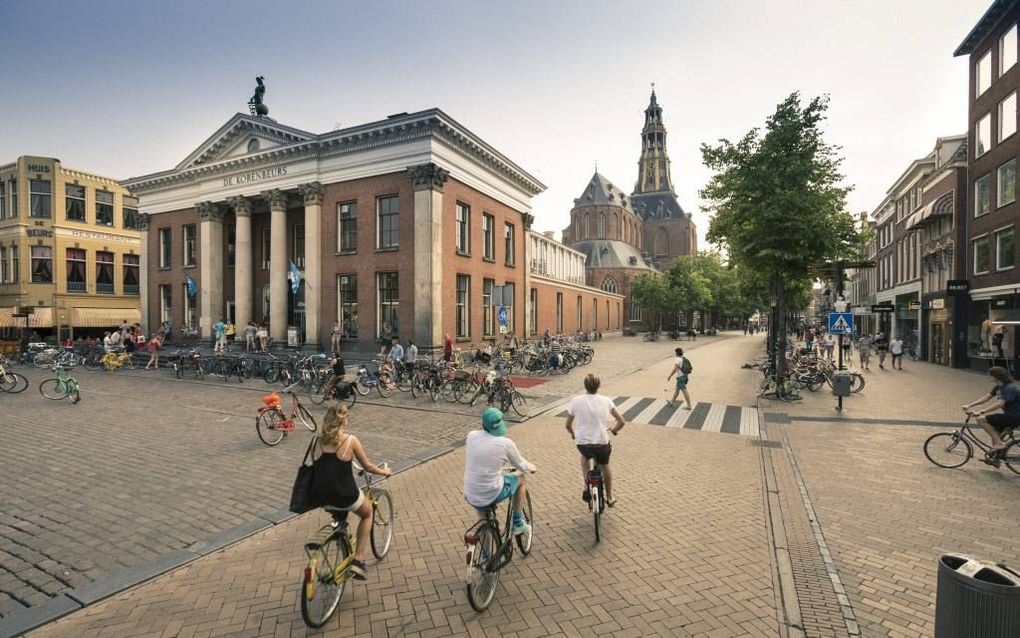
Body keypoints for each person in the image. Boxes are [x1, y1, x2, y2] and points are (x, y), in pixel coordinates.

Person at [310, 404, 392, 580]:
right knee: (368, 512)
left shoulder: (316, 441)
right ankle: (359, 560)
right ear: (344, 419)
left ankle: (341, 536)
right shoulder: (350, 440)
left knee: (339, 512)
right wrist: (384, 471)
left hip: (321, 496)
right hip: (345, 494)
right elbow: (368, 466)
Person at [463, 408, 535, 535]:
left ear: (483, 424)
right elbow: (521, 465)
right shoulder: (505, 444)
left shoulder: (471, 436)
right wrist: (532, 468)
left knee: (482, 519)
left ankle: (486, 555)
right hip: (492, 492)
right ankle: (518, 523)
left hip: (471, 494)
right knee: (521, 479)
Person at [565, 374, 625, 506]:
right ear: (598, 385)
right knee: (605, 465)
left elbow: (568, 425)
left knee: (584, 458)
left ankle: (587, 486)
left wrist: (573, 434)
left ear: (585, 385)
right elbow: (621, 421)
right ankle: (609, 497)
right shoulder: (606, 401)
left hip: (583, 443)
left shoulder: (576, 401)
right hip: (601, 442)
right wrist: (614, 430)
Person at [962, 366, 1020, 465]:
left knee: (981, 419)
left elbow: (1000, 404)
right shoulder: (998, 387)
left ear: (996, 376)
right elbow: (986, 398)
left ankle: (1000, 444)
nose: (988, 376)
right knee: (995, 431)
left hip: (1015, 416)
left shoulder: (1009, 388)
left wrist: (982, 411)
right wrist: (970, 405)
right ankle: (996, 459)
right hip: (1009, 415)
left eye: (990, 374)